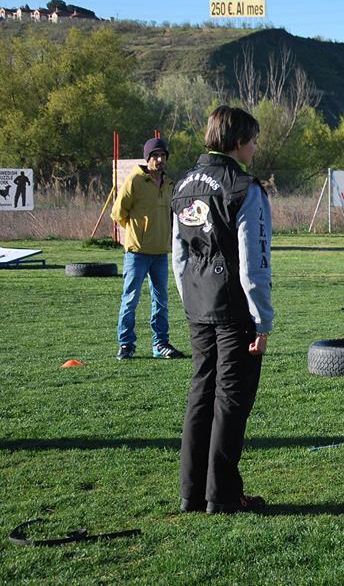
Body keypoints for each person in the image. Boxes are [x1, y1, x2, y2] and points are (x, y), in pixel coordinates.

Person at [172, 105, 273, 514]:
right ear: (238, 142)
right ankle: (223, 495)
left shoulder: (182, 185)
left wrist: (190, 301)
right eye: (253, 141)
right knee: (231, 400)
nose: (255, 149)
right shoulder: (244, 188)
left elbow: (178, 256)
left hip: (198, 303)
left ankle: (191, 493)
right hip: (234, 307)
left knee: (201, 394)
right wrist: (262, 321)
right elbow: (253, 262)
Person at [110, 138, 185, 360]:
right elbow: (118, 213)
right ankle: (126, 345)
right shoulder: (135, 180)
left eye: (163, 156)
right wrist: (136, 233)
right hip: (137, 253)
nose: (159, 160)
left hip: (160, 253)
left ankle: (160, 344)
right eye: (155, 156)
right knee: (130, 299)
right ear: (147, 158)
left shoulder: (170, 185)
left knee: (161, 301)